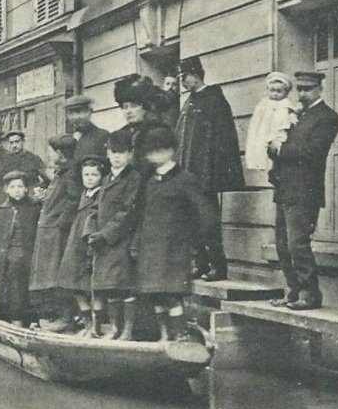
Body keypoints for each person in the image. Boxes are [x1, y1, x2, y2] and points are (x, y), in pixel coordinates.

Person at [131, 127, 219, 341]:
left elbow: (204, 212)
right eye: (150, 152)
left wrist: (195, 243)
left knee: (172, 295)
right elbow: (142, 215)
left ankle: (181, 335)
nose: (153, 156)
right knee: (155, 294)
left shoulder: (184, 179)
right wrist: (137, 243)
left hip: (174, 249)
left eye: (158, 151)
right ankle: (165, 336)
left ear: (171, 150)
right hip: (151, 248)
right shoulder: (150, 181)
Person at [268, 71, 338, 311]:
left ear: (320, 89)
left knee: (297, 243)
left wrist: (280, 150)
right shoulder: (296, 115)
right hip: (285, 188)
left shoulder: (327, 117)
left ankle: (310, 294)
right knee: (282, 245)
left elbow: (312, 152)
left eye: (307, 89)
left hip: (305, 191)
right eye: (299, 89)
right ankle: (293, 292)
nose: (302, 94)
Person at [174, 55, 246, 281]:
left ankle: (218, 266)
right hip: (188, 175)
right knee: (190, 222)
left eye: (185, 77)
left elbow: (224, 141)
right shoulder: (189, 102)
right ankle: (200, 263)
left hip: (205, 176)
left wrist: (213, 174)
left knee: (208, 223)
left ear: (196, 75)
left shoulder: (214, 100)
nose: (182, 82)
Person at [89, 129, 143, 341]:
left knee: (124, 287)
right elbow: (95, 208)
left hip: (122, 241)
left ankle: (127, 331)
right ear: (108, 154)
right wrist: (90, 232)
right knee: (109, 287)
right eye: (113, 152)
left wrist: (105, 234)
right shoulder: (106, 179)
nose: (117, 157)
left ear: (130, 154)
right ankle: (114, 328)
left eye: (122, 152)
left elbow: (128, 212)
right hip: (103, 243)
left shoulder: (134, 179)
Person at [28, 135, 82, 331]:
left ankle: (65, 318)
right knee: (48, 276)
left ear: (60, 153)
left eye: (52, 152)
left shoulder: (70, 173)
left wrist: (60, 224)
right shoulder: (62, 172)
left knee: (56, 276)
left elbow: (73, 200)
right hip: (49, 231)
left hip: (56, 233)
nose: (49, 156)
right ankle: (57, 317)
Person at [0, 171, 42, 326]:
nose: (17, 190)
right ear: (6, 190)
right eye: (13, 187)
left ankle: (36, 319)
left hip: (32, 255)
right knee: (14, 288)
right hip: (11, 257)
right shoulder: (4, 211)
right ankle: (16, 320)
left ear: (26, 189)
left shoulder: (35, 208)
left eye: (20, 186)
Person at [57, 156, 107, 337]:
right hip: (75, 245)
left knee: (93, 288)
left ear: (101, 176)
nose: (90, 178)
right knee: (74, 285)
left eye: (94, 174)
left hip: (90, 245)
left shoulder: (101, 196)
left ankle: (96, 326)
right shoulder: (82, 195)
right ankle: (87, 323)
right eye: (86, 174)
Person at [113, 74, 172, 173]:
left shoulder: (158, 132)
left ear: (145, 106)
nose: (128, 111)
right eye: (125, 107)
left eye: (133, 106)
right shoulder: (121, 134)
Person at [245, 72, 300, 171]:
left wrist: (292, 116)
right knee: (261, 148)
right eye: (272, 90)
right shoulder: (263, 104)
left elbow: (291, 118)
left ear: (286, 92)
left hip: (278, 132)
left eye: (279, 91)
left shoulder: (286, 104)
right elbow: (256, 121)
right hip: (264, 130)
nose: (275, 94)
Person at [65, 94, 109, 160]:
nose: (76, 117)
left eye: (79, 112)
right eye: (71, 113)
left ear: (90, 111)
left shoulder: (102, 135)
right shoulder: (68, 139)